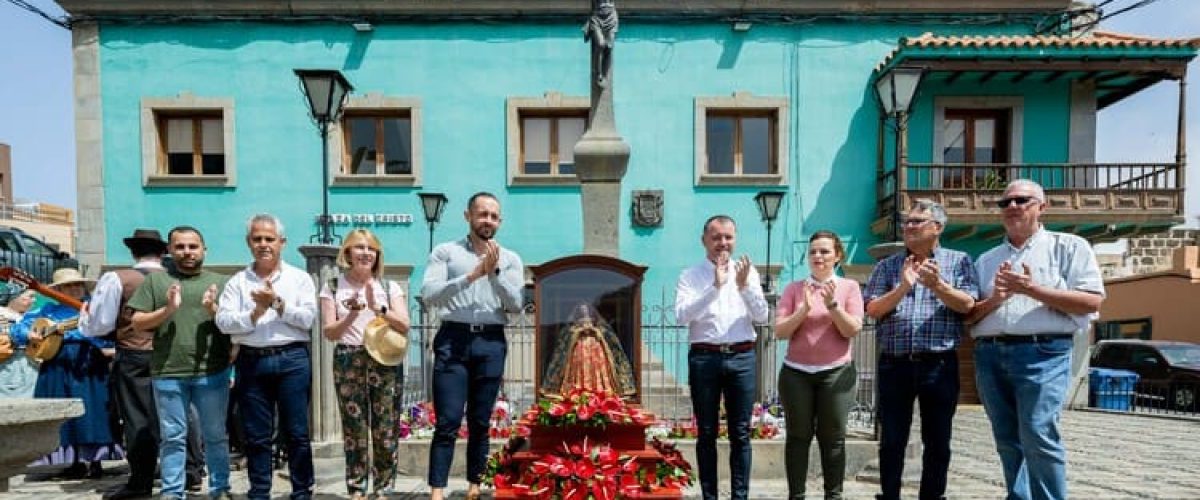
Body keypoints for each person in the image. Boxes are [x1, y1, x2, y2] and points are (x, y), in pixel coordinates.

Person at [968, 179, 1104, 500]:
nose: (1013, 206)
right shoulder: (987, 259)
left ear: (1042, 207)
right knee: (1006, 437)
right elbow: (970, 316)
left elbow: (1092, 301)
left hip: (1043, 351)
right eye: (1006, 203)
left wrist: (1031, 290)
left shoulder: (1069, 247)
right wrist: (997, 299)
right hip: (989, 353)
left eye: (1022, 200)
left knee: (1039, 433)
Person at [864, 199, 979, 500]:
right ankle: (889, 495)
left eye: (917, 221)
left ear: (937, 227)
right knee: (892, 438)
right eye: (907, 222)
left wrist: (938, 285)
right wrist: (903, 286)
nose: (909, 227)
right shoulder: (887, 265)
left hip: (938, 364)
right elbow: (873, 309)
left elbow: (968, 305)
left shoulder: (959, 261)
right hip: (895, 364)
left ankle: (932, 496)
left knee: (938, 439)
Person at [79, 228, 206, 499]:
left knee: (139, 420)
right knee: (183, 414)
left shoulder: (117, 278)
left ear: (133, 251)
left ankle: (141, 481)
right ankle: (192, 472)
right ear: (164, 252)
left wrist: (83, 318)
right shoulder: (180, 277)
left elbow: (99, 325)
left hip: (135, 356)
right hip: (176, 354)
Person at [421, 192, 524, 500]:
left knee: (480, 420)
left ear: (500, 221)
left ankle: (474, 486)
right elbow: (429, 294)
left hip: (490, 340)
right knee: (448, 421)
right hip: (453, 339)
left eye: (493, 216)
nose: (487, 221)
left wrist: (493, 275)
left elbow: (517, 304)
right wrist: (471, 276)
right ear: (468, 216)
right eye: (482, 214)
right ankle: (437, 490)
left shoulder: (511, 259)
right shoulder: (446, 252)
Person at [216, 214, 318, 500]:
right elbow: (224, 322)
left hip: (292, 359)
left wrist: (277, 304)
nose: (263, 244)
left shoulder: (299, 278)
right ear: (249, 243)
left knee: (296, 432)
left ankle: (301, 492)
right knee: (256, 434)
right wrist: (255, 313)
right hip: (252, 359)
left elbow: (308, 319)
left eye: (269, 239)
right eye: (257, 239)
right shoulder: (237, 282)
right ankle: (259, 491)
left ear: (281, 243)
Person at [128, 226, 233, 500]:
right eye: (180, 246)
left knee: (215, 436)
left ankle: (219, 489)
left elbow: (236, 326)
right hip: (168, 371)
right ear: (169, 250)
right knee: (173, 437)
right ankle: (173, 493)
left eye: (193, 246)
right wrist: (168, 309)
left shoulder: (222, 282)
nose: (187, 252)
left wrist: (214, 309)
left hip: (212, 372)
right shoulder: (156, 282)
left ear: (204, 249)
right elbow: (137, 323)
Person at [674, 215, 768, 500]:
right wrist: (714, 286)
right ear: (704, 240)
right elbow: (681, 317)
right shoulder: (690, 276)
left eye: (728, 237)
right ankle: (709, 496)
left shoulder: (748, 273)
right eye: (716, 237)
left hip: (741, 358)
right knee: (706, 432)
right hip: (705, 359)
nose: (723, 243)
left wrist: (743, 287)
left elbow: (762, 316)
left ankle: (740, 496)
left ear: (735, 239)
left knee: (740, 433)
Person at [319, 228, 409, 500]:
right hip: (349, 357)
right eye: (359, 247)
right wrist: (353, 314)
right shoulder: (332, 287)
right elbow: (329, 332)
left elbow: (404, 325)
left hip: (384, 359)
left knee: (385, 428)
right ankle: (357, 488)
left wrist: (377, 307)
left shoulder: (389, 286)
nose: (365, 253)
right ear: (347, 252)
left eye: (371, 249)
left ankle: (384, 489)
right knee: (354, 429)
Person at [774, 230, 864, 499]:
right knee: (798, 437)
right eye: (813, 251)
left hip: (836, 373)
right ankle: (796, 495)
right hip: (796, 373)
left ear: (837, 256)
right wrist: (803, 310)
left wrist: (832, 305)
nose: (818, 256)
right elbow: (779, 331)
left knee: (833, 438)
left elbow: (852, 329)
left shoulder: (849, 287)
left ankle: (833, 495)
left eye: (824, 251)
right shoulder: (794, 289)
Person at [14, 268, 122, 479]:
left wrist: (95, 340)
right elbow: (18, 330)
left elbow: (108, 332)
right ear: (59, 289)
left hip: (89, 361)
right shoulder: (47, 310)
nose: (75, 289)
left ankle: (94, 460)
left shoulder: (95, 308)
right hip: (57, 362)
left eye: (78, 285)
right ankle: (72, 461)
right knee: (60, 410)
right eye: (69, 286)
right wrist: (30, 333)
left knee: (93, 410)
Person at [540, 302, 637, 398]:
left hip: (595, 347)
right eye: (582, 311)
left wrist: (595, 331)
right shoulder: (572, 327)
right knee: (578, 366)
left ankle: (599, 390)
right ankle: (578, 391)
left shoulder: (599, 325)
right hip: (579, 347)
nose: (585, 313)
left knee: (597, 366)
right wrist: (579, 332)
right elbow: (568, 335)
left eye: (587, 310)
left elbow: (606, 334)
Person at [0, 289, 38, 398]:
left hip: (29, 364)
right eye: (30, 296)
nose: (34, 300)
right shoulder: (3, 314)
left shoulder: (30, 316)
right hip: (9, 364)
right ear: (15, 296)